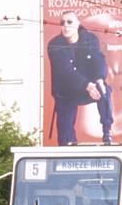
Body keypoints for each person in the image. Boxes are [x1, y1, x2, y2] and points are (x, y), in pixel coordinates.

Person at [47, 10, 113, 145]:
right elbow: (66, 71)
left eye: (69, 22)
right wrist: (87, 85)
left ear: (77, 24)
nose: (65, 26)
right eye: (62, 23)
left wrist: (99, 79)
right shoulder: (54, 45)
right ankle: (69, 142)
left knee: (104, 89)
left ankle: (107, 131)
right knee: (65, 139)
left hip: (90, 86)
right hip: (66, 91)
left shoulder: (90, 39)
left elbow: (98, 59)